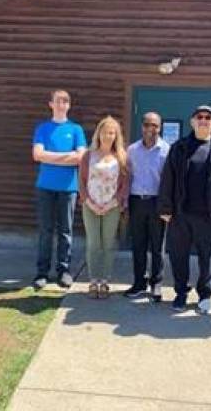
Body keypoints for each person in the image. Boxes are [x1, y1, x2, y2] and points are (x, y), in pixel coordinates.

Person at [158, 105, 211, 314]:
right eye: (199, 117)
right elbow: (168, 179)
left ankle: (205, 296)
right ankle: (181, 293)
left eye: (208, 117)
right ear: (192, 122)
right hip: (181, 213)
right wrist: (165, 207)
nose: (204, 120)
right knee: (178, 256)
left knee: (207, 258)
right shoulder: (180, 147)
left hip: (208, 215)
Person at [32, 90, 87, 289]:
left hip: (68, 188)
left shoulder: (76, 130)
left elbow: (81, 157)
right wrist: (66, 157)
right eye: (58, 101)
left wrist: (50, 157)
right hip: (45, 187)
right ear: (51, 104)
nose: (62, 105)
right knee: (46, 231)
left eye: (65, 102)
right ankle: (42, 272)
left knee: (66, 231)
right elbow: (37, 155)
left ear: (69, 105)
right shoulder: (43, 128)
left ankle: (63, 271)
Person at [79, 116, 129, 299]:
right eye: (105, 132)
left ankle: (105, 281)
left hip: (112, 206)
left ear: (116, 136)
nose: (108, 136)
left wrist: (112, 203)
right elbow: (82, 182)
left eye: (112, 132)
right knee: (93, 243)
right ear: (98, 133)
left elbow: (125, 185)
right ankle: (93, 281)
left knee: (108, 244)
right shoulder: (88, 155)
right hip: (90, 205)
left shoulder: (121, 157)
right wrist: (90, 202)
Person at [124, 112, 170, 302]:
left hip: (157, 203)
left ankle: (156, 283)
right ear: (142, 126)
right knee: (138, 245)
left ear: (160, 128)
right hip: (136, 201)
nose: (150, 129)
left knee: (158, 246)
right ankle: (139, 282)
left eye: (155, 125)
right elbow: (127, 178)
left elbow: (169, 182)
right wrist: (126, 203)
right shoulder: (132, 150)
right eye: (147, 125)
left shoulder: (167, 150)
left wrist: (168, 207)